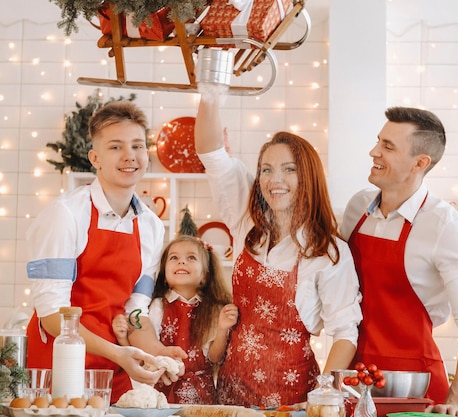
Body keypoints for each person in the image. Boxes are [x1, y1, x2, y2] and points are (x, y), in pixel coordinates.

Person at [194, 92, 362, 408]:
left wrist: (323, 399)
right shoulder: (246, 223)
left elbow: (344, 333)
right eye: (267, 170)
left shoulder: (327, 252)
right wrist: (212, 89)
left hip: (292, 399)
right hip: (230, 396)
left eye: (289, 169)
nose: (275, 180)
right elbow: (210, 151)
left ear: (309, 176)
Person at [25, 101, 185, 404]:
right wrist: (120, 353)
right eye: (116, 147)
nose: (130, 156)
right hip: (58, 369)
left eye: (138, 146)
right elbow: (52, 317)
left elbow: (134, 312)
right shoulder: (65, 215)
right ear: (95, 158)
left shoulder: (151, 226)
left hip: (113, 371)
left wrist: (155, 350)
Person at [340, 106, 458, 417]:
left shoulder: (444, 225)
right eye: (378, 141)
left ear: (420, 163)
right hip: (355, 384)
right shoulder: (358, 207)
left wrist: (456, 403)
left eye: (388, 146)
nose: (374, 152)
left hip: (415, 394)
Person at [112, 234, 237, 404]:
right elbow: (144, 357)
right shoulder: (157, 306)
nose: (181, 262)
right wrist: (122, 338)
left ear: (205, 276)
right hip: (163, 392)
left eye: (191, 257)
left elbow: (214, 357)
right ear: (164, 274)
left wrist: (222, 329)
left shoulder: (215, 310)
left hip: (202, 395)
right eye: (174, 257)